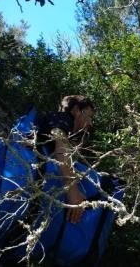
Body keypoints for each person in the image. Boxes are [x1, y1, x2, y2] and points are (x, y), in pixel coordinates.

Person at [36, 95, 95, 224]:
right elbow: (61, 145)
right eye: (89, 116)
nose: (90, 123)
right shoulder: (64, 118)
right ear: (76, 111)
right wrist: (73, 191)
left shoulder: (63, 125)